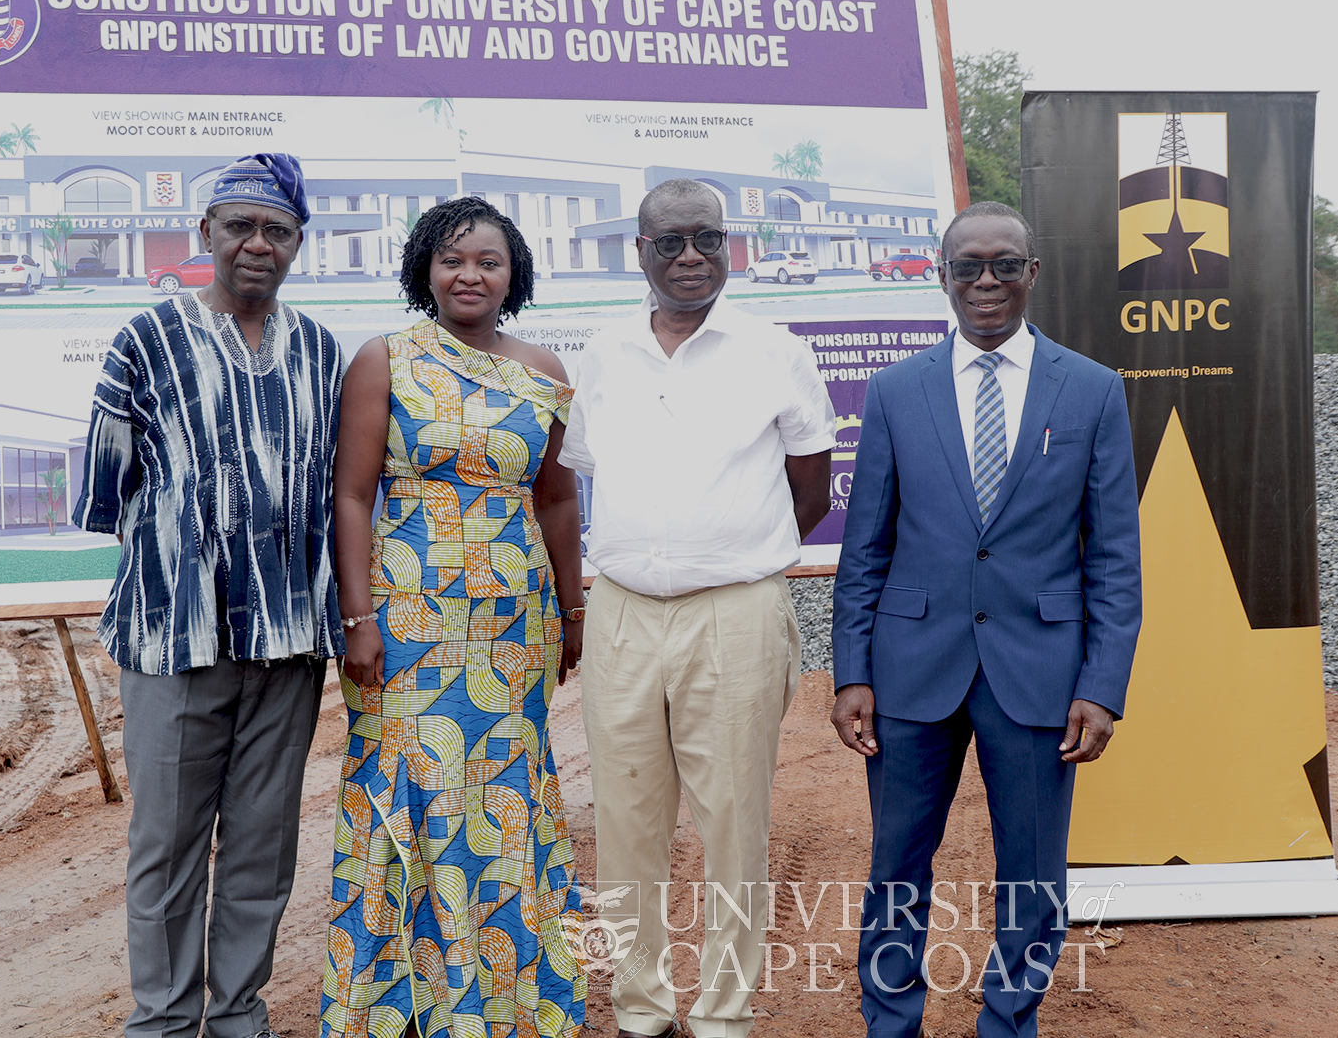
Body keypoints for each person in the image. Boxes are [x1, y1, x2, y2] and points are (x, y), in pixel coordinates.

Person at [830, 201, 1143, 1038]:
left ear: (1032, 273)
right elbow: (866, 546)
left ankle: (1009, 1021)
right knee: (897, 865)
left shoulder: (1093, 390)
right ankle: (890, 1023)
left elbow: (1115, 558)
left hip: (1040, 672)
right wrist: (852, 671)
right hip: (909, 667)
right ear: (943, 276)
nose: (988, 281)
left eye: (1005, 264)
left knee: (1033, 874)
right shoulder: (896, 391)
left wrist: (1102, 685)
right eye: (968, 266)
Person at [71, 152, 341, 1038]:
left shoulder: (322, 351)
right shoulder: (144, 342)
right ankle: (161, 1021)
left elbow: (334, 484)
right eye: (240, 227)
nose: (257, 244)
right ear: (206, 235)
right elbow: (110, 497)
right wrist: (191, 564)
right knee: (169, 849)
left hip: (289, 641)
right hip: (175, 643)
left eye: (277, 230)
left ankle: (239, 1017)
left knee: (262, 846)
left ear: (299, 243)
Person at [559, 178, 835, 1038]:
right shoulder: (601, 354)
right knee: (627, 821)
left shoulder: (774, 350)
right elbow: (583, 473)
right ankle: (642, 1011)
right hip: (624, 615)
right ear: (637, 252)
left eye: (707, 240)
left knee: (734, 823)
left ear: (729, 246)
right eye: (670, 242)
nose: (690, 257)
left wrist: (729, 548)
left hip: (737, 614)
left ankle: (722, 1014)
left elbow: (811, 491)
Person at [319, 196, 587, 1038]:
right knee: (408, 790)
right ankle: (393, 1009)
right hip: (405, 624)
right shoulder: (384, 360)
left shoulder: (544, 371)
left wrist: (573, 607)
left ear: (516, 276)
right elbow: (352, 495)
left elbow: (555, 495)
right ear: (423, 269)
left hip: (512, 631)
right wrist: (358, 617)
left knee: (506, 796)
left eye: (489, 261)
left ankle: (505, 1004)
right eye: (452, 259)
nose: (469, 274)